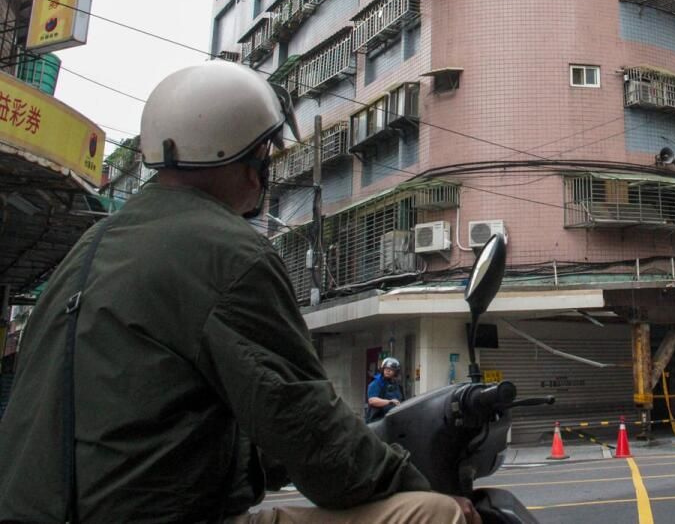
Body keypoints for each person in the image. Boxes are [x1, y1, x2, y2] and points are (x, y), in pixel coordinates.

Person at [0, 61, 477, 524]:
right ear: (248, 160)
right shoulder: (229, 252)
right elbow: (312, 435)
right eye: (265, 154)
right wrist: (418, 483)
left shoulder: (93, 245)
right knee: (432, 514)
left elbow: (171, 422)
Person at [367, 357, 406, 423]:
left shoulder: (397, 385)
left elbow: (402, 401)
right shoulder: (376, 383)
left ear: (396, 372)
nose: (388, 371)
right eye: (386, 368)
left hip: (393, 421)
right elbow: (372, 400)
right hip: (377, 422)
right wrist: (389, 402)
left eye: (391, 369)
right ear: (382, 369)